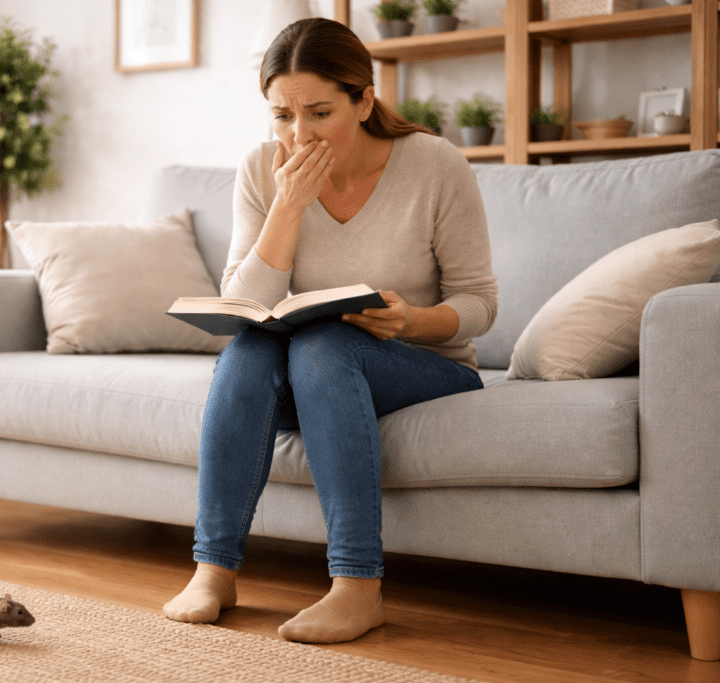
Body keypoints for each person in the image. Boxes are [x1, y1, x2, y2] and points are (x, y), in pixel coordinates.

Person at [163, 17, 498, 644]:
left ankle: (356, 587)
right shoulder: (264, 170)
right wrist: (288, 206)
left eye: (319, 113)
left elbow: (478, 303)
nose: (299, 135)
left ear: (363, 100)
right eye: (282, 117)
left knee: (323, 342)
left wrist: (413, 320)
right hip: (320, 374)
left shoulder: (434, 164)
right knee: (251, 347)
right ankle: (214, 570)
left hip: (428, 366)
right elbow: (242, 302)